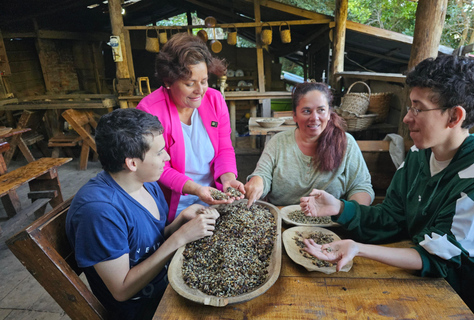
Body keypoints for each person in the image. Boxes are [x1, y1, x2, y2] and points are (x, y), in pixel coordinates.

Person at [300, 55, 474, 317]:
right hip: (415, 287)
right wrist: (339, 207)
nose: (407, 118)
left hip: (457, 300)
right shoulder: (419, 156)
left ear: (454, 116)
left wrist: (359, 249)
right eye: (409, 107)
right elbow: (391, 217)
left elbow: (444, 258)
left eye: (418, 108)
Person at [66, 108, 220, 320]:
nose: (167, 157)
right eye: (159, 152)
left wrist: (181, 220)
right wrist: (180, 237)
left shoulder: (145, 183)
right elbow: (121, 290)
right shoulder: (99, 212)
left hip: (164, 281)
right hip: (142, 308)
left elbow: (147, 243)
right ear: (132, 163)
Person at [137, 32, 245, 222]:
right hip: (173, 204)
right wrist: (196, 189)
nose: (200, 90)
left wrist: (227, 179)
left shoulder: (215, 100)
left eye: (204, 81)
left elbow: (224, 148)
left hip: (213, 198)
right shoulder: (150, 110)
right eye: (189, 83)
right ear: (168, 82)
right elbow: (159, 166)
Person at [244, 81, 374, 207]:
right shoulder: (278, 142)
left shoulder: (345, 143)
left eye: (321, 110)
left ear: (329, 114)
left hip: (331, 223)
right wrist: (258, 181)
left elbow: (360, 186)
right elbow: (263, 175)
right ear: (294, 115)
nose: (314, 117)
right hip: (282, 220)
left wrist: (349, 212)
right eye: (306, 111)